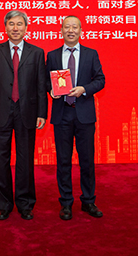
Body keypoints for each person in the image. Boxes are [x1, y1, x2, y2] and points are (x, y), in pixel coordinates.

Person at [0, 10, 47, 221]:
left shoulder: (37, 53)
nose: (16, 28)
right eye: (11, 24)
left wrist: (42, 113)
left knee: (25, 159)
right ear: (5, 27)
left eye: (20, 24)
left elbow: (40, 85)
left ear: (26, 27)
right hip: (0, 111)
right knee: (0, 159)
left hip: (27, 111)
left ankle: (25, 204)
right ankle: (4, 205)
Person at [47, 16, 105, 220]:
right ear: (61, 30)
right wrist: (51, 90)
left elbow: (100, 80)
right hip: (62, 113)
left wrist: (84, 89)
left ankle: (88, 201)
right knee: (63, 161)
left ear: (81, 30)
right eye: (67, 27)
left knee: (86, 160)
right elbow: (45, 80)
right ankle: (66, 203)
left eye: (74, 27)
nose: (70, 30)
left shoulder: (91, 54)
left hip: (84, 115)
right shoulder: (53, 55)